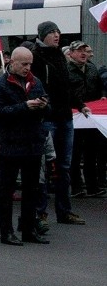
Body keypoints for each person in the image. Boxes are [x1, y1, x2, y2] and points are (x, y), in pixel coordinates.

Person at [0, 47, 50, 245]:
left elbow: (48, 106)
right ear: (12, 62)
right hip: (11, 144)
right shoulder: (0, 84)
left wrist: (43, 106)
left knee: (32, 189)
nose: (27, 68)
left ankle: (28, 228)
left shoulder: (35, 81)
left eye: (30, 64)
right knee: (6, 191)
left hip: (33, 142)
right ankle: (5, 232)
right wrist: (24, 107)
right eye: (24, 64)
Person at [31, 21, 89, 225]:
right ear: (42, 35)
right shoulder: (36, 57)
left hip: (65, 118)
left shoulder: (60, 56)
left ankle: (64, 211)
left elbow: (66, 87)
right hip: (47, 120)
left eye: (58, 32)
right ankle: (40, 212)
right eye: (52, 32)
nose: (56, 35)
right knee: (45, 167)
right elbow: (36, 87)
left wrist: (79, 104)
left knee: (64, 166)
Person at [66, 40, 106, 198]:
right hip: (75, 116)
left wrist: (102, 97)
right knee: (75, 153)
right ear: (71, 53)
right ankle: (76, 186)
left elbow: (99, 86)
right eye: (79, 50)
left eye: (85, 50)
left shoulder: (92, 68)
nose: (83, 53)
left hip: (90, 116)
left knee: (92, 152)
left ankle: (93, 186)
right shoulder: (66, 70)